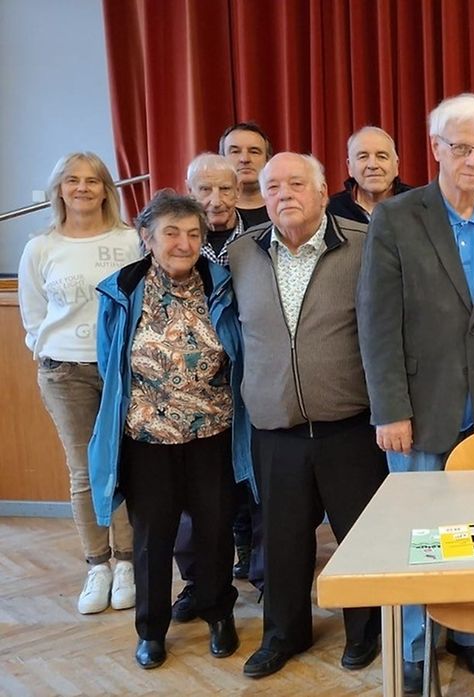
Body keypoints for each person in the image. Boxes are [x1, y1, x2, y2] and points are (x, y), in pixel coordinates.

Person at [357, 93, 474, 690]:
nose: (473, 160)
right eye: (461, 147)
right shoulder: (396, 219)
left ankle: (471, 632)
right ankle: (416, 644)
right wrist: (389, 409)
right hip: (418, 411)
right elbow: (377, 322)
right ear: (436, 147)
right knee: (423, 536)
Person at [229, 152, 388, 679]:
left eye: (296, 183)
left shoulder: (364, 244)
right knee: (282, 541)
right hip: (275, 427)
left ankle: (366, 630)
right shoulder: (242, 253)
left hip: (350, 424)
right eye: (273, 186)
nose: (284, 194)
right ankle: (283, 634)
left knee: (360, 536)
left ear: (323, 193)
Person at [88, 192, 252, 669]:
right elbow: (109, 362)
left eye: (194, 234)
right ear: (147, 237)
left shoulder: (222, 284)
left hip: (213, 433)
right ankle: (151, 630)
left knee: (215, 529)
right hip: (147, 438)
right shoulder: (122, 289)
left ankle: (218, 613)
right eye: (172, 233)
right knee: (152, 538)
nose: (184, 243)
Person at [17, 152, 139, 616]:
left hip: (121, 368)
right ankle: (98, 564)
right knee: (84, 470)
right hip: (65, 371)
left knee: (124, 464)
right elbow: (33, 314)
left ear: (106, 189)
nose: (83, 188)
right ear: (59, 190)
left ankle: (126, 562)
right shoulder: (40, 247)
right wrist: (49, 350)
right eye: (73, 180)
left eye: (92, 180)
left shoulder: (130, 240)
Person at [171, 154, 264, 624]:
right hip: (193, 389)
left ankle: (267, 578)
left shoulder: (259, 238)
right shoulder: (175, 242)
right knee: (194, 495)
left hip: (252, 378)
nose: (216, 199)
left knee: (259, 483)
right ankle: (199, 583)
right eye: (204, 189)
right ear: (189, 191)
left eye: (225, 189)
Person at [326, 126, 412, 224]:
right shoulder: (330, 211)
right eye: (363, 157)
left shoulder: (418, 205)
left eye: (382, 157)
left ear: (396, 165)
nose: (373, 165)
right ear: (350, 167)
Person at [219, 122, 273, 226]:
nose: (245, 159)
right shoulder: (208, 215)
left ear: (267, 160)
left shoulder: (282, 209)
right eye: (235, 151)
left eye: (254, 152)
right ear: (221, 160)